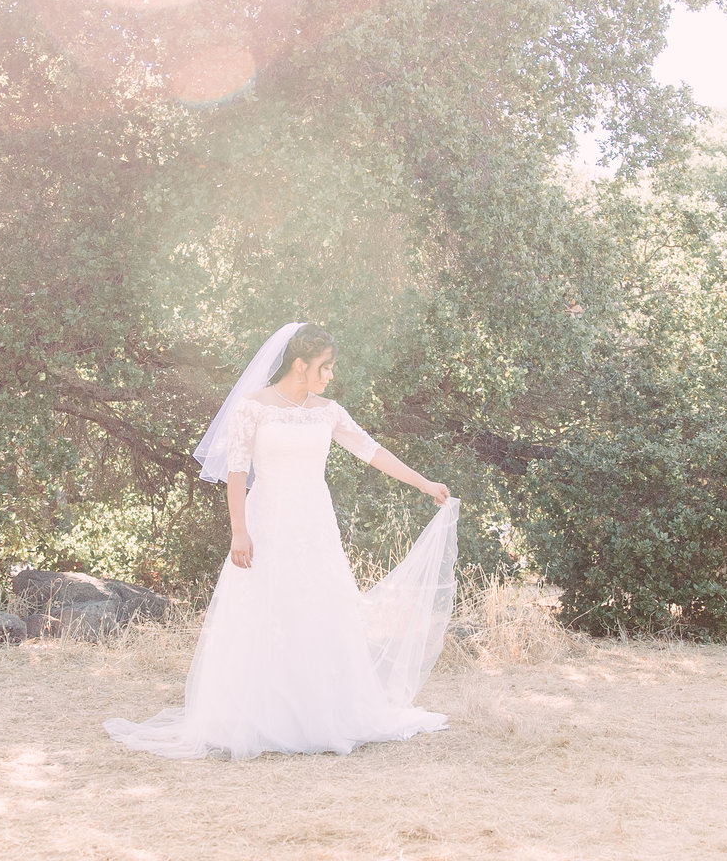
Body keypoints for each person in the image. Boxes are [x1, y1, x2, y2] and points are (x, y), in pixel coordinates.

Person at [104, 321, 460, 759]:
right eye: (325, 368)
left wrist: (424, 483)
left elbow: (372, 451)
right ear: (299, 364)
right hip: (267, 522)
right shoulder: (253, 408)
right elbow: (236, 473)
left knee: (318, 609)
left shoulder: (327, 411)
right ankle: (259, 715)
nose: (330, 376)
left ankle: (320, 713)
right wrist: (239, 530)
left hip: (314, 524)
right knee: (265, 610)